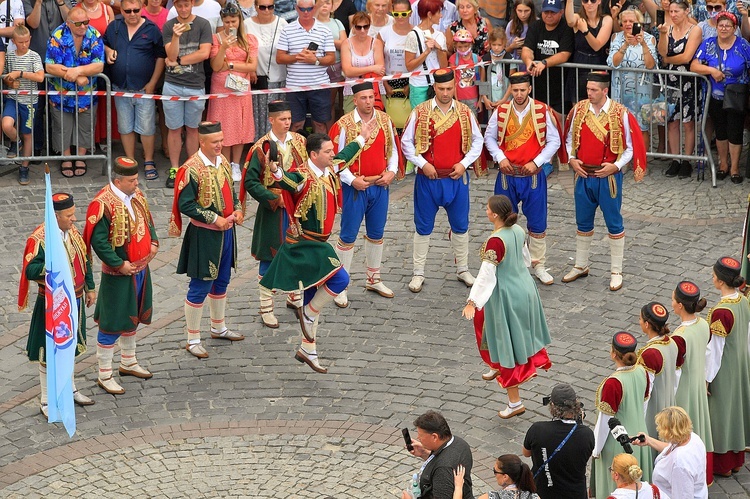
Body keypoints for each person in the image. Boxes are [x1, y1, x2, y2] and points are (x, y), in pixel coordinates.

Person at [258, 128, 371, 374]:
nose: (333, 154)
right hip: (306, 244)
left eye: (332, 150)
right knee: (341, 278)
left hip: (317, 242)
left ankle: (308, 349)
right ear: (314, 154)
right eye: (328, 151)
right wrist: (276, 170)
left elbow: (347, 154)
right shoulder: (301, 175)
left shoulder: (330, 167)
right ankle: (307, 314)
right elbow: (286, 181)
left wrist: (362, 137)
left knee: (312, 293)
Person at [462, 194, 552, 419]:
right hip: (525, 289)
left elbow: (486, 275)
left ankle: (515, 402)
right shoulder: (519, 231)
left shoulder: (496, 240)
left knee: (506, 344)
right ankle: (495, 364)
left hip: (506, 295)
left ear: (494, 214)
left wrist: (472, 301)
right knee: (495, 333)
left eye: (487, 208)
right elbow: (524, 259)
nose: (485, 210)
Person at [562, 71, 646, 292]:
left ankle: (616, 271)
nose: (589, 93)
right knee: (583, 222)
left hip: (608, 178)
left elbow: (629, 147)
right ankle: (581, 265)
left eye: (593, 90)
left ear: (605, 90)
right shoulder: (579, 110)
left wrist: (616, 166)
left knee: (614, 223)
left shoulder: (621, 114)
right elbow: (569, 137)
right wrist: (572, 159)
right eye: (588, 89)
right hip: (583, 176)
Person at [401, 69, 483, 293]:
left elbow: (478, 141)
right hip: (429, 179)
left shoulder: (465, 113)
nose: (445, 93)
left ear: (454, 87)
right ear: (434, 88)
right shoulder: (420, 112)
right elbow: (406, 142)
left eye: (449, 89)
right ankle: (418, 272)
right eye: (441, 89)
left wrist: (464, 164)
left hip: (456, 179)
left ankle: (463, 269)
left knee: (461, 225)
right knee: (423, 226)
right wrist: (422, 163)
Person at [169, 122, 246, 359]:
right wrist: (214, 218)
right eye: (215, 142)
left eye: (221, 140)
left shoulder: (222, 161)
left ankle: (218, 327)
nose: (220, 145)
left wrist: (238, 209)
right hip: (205, 235)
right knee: (200, 284)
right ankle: (192, 339)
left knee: (222, 280)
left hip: (226, 233)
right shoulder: (190, 169)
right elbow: (186, 204)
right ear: (202, 142)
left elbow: (232, 191)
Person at [83, 157, 158, 395]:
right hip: (118, 275)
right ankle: (104, 374)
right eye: (132, 180)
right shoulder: (102, 204)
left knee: (132, 315)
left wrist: (153, 242)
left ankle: (128, 362)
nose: (137, 184)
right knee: (112, 322)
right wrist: (119, 264)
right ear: (118, 180)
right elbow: (99, 242)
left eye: (136, 179)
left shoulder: (137, 196)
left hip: (140, 269)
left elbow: (147, 221)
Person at [19, 193, 96, 416]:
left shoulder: (72, 233)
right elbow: (30, 270)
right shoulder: (40, 239)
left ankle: (70, 389)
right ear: (56, 216)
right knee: (49, 350)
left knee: (68, 347)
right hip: (52, 305)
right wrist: (51, 266)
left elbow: (85, 260)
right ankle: (45, 400)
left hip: (77, 300)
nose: (74, 219)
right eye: (69, 215)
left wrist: (90, 287)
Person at [483, 71, 562, 286]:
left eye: (522, 90)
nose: (519, 94)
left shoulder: (541, 110)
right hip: (507, 176)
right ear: (511, 90)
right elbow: (489, 138)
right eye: (515, 90)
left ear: (529, 89)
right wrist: (500, 157)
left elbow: (554, 141)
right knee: (504, 220)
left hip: (532, 176)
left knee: (537, 222)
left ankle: (539, 266)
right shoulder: (500, 111)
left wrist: (537, 162)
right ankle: (508, 264)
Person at [329, 82, 401, 308]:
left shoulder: (385, 120)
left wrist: (391, 171)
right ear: (355, 100)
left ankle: (373, 278)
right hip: (355, 188)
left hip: (380, 185)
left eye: (371, 97)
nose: (369, 102)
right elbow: (336, 160)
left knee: (377, 232)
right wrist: (353, 180)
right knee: (348, 235)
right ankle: (341, 285)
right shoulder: (344, 125)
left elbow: (392, 149)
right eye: (364, 98)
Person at [240, 100, 307, 328]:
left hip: (295, 208)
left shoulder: (300, 142)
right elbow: (250, 182)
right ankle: (266, 306)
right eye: (282, 119)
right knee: (269, 257)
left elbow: (306, 171)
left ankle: (295, 297)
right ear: (271, 120)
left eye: (289, 118)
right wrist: (273, 199)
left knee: (297, 253)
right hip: (273, 211)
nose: (287, 123)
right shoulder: (261, 147)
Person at [103, 0, 166, 180]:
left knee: (146, 127)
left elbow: (161, 56)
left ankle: (148, 160)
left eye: (136, 10)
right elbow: (103, 43)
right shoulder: (114, 26)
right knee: (125, 126)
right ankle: (130, 161)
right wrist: (108, 50)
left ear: (141, 9)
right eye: (128, 11)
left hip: (144, 87)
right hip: (120, 86)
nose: (132, 14)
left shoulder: (151, 29)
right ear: (121, 10)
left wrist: (153, 82)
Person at [591, 331, 652, 499]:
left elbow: (606, 421)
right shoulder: (642, 371)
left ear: (613, 353)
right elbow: (644, 404)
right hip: (640, 435)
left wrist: (596, 450)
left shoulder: (613, 383)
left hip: (617, 442)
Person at [691, 11, 750, 184]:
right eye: (721, 25)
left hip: (736, 95)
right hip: (715, 95)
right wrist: (711, 71)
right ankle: (723, 165)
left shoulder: (743, 45)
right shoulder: (708, 44)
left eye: (728, 26)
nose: (724, 28)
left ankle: (735, 168)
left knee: (735, 131)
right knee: (721, 131)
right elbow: (694, 65)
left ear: (734, 28)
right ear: (716, 27)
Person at [45, 7, 104, 178]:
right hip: (60, 93)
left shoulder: (94, 35)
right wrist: (72, 75)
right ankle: (66, 158)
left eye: (86, 22)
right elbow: (49, 66)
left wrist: (77, 72)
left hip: (86, 93)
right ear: (68, 23)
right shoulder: (57, 35)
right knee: (62, 126)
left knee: (85, 126)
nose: (83, 26)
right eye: (79, 23)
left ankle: (80, 157)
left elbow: (99, 65)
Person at [705, 256, 750, 477]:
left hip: (724, 370)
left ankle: (723, 463)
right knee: (737, 410)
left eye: (714, 275)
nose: (712, 278)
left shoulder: (722, 312)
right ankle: (737, 459)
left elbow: (714, 351)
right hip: (740, 363)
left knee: (721, 414)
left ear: (721, 281)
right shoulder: (743, 300)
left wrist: (706, 378)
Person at [162, 0, 213, 188]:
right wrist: (175, 37)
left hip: (195, 83)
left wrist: (180, 61)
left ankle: (192, 167)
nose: (183, 9)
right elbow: (171, 56)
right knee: (174, 129)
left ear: (192, 4)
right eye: (179, 6)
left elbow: (204, 53)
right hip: (172, 84)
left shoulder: (203, 24)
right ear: (175, 5)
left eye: (186, 5)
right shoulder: (169, 26)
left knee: (193, 129)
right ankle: (175, 168)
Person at [208, 3, 258, 181]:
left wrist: (229, 64)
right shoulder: (216, 38)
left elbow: (252, 65)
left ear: (239, 20)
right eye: (227, 21)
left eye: (233, 21)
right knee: (223, 124)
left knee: (240, 124)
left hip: (241, 87)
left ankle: (236, 163)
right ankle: (224, 161)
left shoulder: (249, 39)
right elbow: (215, 66)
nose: (230, 25)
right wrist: (223, 48)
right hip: (221, 87)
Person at [670, 281, 714, 484]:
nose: (671, 303)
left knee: (683, 432)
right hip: (698, 384)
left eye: (673, 300)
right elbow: (708, 354)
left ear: (679, 306)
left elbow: (676, 372)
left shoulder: (679, 337)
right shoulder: (704, 324)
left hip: (684, 391)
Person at [522, 384, 594, 498]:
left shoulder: (537, 429)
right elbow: (583, 455)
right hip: (575, 494)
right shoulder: (586, 434)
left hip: (544, 492)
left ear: (552, 406)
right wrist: (579, 424)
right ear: (576, 405)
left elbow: (526, 453)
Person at [275, 0, 335, 134]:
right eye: (302, 9)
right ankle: (296, 153)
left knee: (320, 124)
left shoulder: (325, 30)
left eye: (309, 9)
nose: (306, 12)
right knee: (296, 124)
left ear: (315, 8)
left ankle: (321, 153)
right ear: (296, 8)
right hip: (295, 86)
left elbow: (331, 58)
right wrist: (299, 56)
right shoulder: (287, 30)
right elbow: (279, 58)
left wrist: (315, 60)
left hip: (319, 85)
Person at [657, 0, 700, 179]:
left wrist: (669, 60)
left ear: (686, 11)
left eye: (677, 11)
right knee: (672, 121)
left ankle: (687, 160)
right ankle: (675, 159)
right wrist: (662, 35)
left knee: (688, 122)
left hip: (688, 81)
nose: (673, 14)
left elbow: (687, 57)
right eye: (671, 11)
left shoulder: (695, 29)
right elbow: (662, 52)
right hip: (670, 82)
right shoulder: (668, 28)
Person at [24, 0, 72, 157]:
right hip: (37, 60)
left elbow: (70, 21)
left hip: (60, 61)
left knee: (57, 105)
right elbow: (33, 23)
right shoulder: (28, 1)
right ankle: (37, 146)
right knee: (37, 107)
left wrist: (61, 3)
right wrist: (38, 3)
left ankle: (56, 145)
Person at [607, 8, 657, 149]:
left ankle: (641, 162)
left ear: (639, 23)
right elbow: (613, 63)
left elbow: (650, 65)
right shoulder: (616, 38)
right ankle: (624, 161)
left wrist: (643, 45)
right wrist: (625, 45)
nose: (628, 24)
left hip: (642, 90)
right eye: (625, 21)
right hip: (620, 88)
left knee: (642, 127)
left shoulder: (649, 38)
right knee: (621, 125)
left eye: (632, 21)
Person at [634, 407, 708, 498]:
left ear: (668, 431)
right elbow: (670, 449)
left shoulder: (680, 463)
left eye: (660, 426)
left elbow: (682, 496)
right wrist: (649, 441)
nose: (658, 429)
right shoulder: (692, 438)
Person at [3, 25, 44, 185]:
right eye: (20, 42)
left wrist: (20, 74)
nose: (24, 45)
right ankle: (15, 141)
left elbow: (40, 77)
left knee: (28, 134)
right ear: (14, 41)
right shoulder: (10, 56)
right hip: (13, 98)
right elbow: (5, 76)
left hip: (29, 101)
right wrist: (9, 81)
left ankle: (24, 167)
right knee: (6, 124)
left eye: (26, 41)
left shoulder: (34, 56)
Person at [401, 410, 474, 499]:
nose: (418, 438)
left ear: (434, 437)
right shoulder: (460, 443)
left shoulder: (443, 469)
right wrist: (425, 453)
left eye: (421, 435)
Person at [521, 0, 572, 119]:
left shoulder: (566, 28)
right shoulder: (535, 26)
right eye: (546, 12)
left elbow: (565, 54)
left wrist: (544, 63)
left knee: (558, 123)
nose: (549, 15)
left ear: (561, 12)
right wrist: (528, 61)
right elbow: (527, 48)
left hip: (560, 87)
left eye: (553, 12)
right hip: (537, 85)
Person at [636, 302, 678, 443]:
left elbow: (646, 391)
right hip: (669, 400)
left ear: (647, 324)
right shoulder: (671, 342)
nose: (639, 322)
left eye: (640, 319)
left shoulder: (650, 354)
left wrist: (639, 418)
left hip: (655, 409)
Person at [245, 0, 288, 139]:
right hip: (258, 77)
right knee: (260, 116)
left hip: (280, 76)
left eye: (270, 7)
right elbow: (242, 48)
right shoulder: (247, 24)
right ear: (256, 7)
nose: (267, 10)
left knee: (278, 116)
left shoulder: (282, 23)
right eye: (263, 7)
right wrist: (250, 69)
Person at [81, 0, 116, 155]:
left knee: (103, 101)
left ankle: (104, 137)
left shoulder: (107, 9)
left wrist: (109, 51)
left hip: (104, 62)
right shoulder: (77, 10)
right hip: (84, 62)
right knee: (87, 102)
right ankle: (87, 141)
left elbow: (115, 35)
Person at [563, 0, 611, 104]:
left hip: (598, 63)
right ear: (582, 2)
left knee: (599, 105)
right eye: (585, 0)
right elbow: (570, 21)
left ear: (599, 1)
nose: (589, 3)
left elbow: (597, 46)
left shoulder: (606, 19)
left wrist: (585, 31)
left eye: (593, 0)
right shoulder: (578, 18)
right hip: (579, 65)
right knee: (579, 106)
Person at [404, 0, 447, 108]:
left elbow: (444, 67)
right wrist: (426, 52)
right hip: (419, 86)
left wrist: (439, 49)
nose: (441, 16)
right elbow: (409, 66)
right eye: (438, 12)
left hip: (437, 85)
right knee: (421, 121)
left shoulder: (440, 35)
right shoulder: (413, 35)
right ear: (429, 14)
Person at [340, 11, 385, 114]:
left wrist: (356, 70)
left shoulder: (376, 43)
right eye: (358, 27)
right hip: (352, 91)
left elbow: (380, 69)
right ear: (353, 27)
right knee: (351, 124)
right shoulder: (346, 43)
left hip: (375, 91)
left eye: (366, 26)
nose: (362, 30)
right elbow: (347, 71)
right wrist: (371, 68)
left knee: (377, 123)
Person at [377, 0, 412, 129]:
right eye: (396, 14)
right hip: (388, 80)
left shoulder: (416, 32)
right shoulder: (384, 32)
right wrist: (384, 84)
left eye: (404, 14)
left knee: (409, 122)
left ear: (410, 13)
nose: (400, 17)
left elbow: (420, 62)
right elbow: (378, 60)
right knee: (389, 122)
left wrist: (411, 84)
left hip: (410, 80)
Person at [315, 0, 346, 129]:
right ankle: (327, 133)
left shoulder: (337, 23)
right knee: (327, 103)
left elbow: (344, 44)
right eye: (321, 3)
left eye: (327, 3)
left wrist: (327, 40)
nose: (324, 6)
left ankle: (337, 132)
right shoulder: (313, 24)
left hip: (339, 66)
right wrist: (334, 42)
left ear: (332, 7)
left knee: (338, 102)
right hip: (320, 68)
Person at [455, 454, 538, 499]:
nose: (494, 474)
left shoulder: (491, 497)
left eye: (495, 471)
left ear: (505, 476)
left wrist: (458, 487)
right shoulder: (534, 497)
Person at [480, 30, 511, 113]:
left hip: (506, 99)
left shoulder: (509, 59)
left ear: (504, 44)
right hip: (489, 100)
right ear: (490, 44)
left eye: (499, 45)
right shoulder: (485, 59)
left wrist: (504, 99)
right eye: (494, 45)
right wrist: (485, 98)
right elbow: (482, 81)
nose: (496, 47)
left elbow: (513, 82)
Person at [451, 29, 481, 113]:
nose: (463, 49)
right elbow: (453, 81)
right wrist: (455, 99)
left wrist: (480, 100)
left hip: (473, 98)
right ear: (455, 46)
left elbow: (481, 81)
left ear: (471, 45)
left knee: (473, 121)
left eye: (466, 46)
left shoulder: (477, 59)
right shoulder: (453, 59)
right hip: (459, 98)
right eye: (460, 47)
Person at [506, 0, 536, 71]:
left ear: (531, 10)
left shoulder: (537, 24)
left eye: (526, 11)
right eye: (520, 11)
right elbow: (503, 50)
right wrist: (512, 46)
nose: (523, 14)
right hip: (514, 68)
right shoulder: (511, 24)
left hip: (533, 67)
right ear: (515, 10)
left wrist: (526, 50)